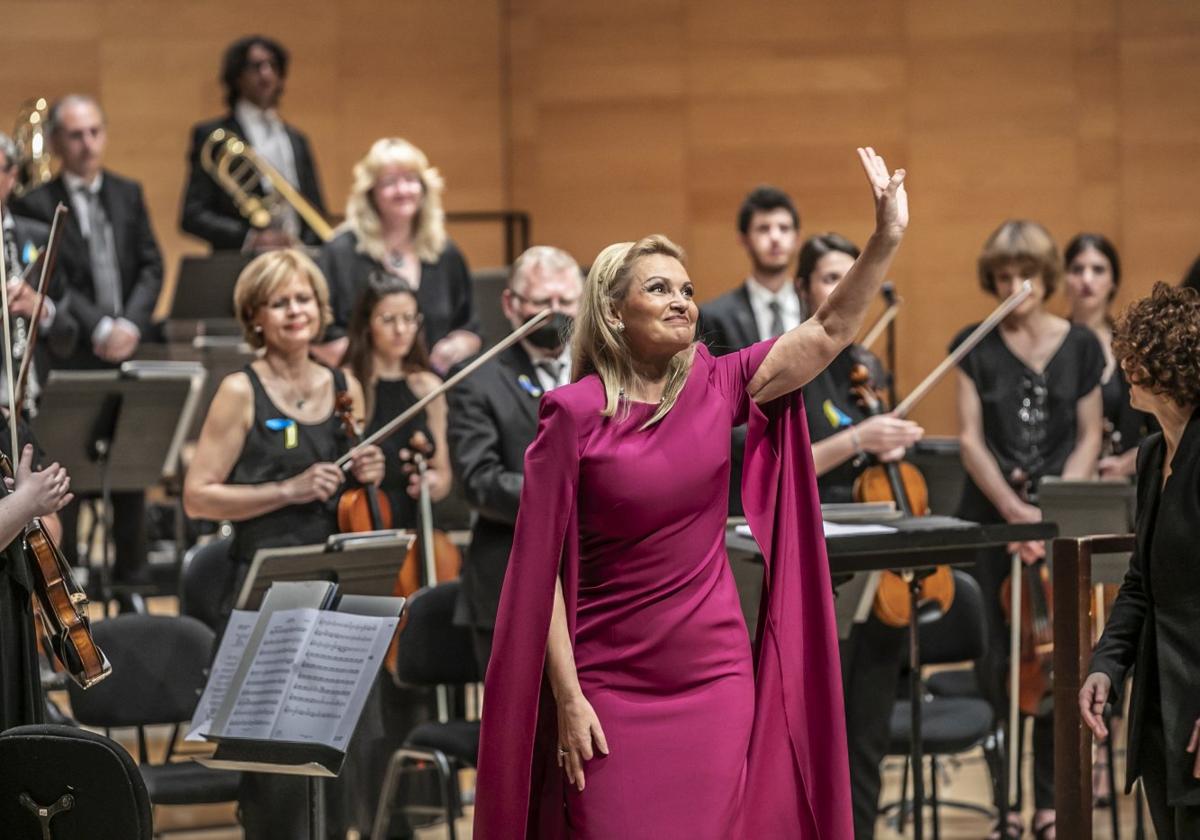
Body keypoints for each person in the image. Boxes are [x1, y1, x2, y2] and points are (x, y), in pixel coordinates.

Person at [474, 147, 908, 839]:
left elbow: (828, 330)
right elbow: (538, 579)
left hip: (713, 678)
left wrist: (885, 238)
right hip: (607, 682)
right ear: (614, 315)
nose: (681, 300)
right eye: (658, 289)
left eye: (685, 288)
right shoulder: (572, 413)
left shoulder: (717, 382)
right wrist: (568, 697)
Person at [183, 248, 383, 840]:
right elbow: (198, 496)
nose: (295, 311)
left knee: (342, 763)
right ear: (256, 317)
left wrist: (368, 469)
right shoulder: (240, 390)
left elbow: (353, 496)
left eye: (304, 299)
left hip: (341, 596)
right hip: (266, 597)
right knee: (277, 781)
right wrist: (286, 490)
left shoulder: (346, 385)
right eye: (280, 302)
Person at [953, 219, 1105, 840]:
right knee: (996, 667)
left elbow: (1090, 432)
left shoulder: (1083, 346)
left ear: (1047, 277)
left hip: (1057, 529)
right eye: (1004, 276)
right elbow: (969, 438)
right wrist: (1014, 515)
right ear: (992, 278)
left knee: (1055, 662)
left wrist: (1050, 513)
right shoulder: (973, 342)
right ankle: (1003, 806)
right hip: (992, 526)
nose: (1017, 286)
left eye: (1029, 275)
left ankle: (1049, 802)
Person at [796, 232, 923, 839]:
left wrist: (894, 443)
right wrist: (858, 440)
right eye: (828, 278)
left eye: (854, 277)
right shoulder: (786, 365)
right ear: (803, 289)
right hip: (809, 565)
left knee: (867, 737)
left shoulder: (867, 368)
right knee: (806, 739)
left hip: (874, 563)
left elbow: (881, 463)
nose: (845, 290)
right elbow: (772, 467)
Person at [13, 94, 164, 598]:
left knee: (132, 468)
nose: (87, 144)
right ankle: (68, 589)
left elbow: (150, 265)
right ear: (56, 142)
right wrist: (99, 326)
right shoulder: (35, 204)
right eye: (75, 135)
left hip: (129, 348)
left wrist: (132, 326)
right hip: (71, 356)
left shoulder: (127, 191)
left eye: (95, 132)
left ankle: (133, 588)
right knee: (68, 473)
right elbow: (53, 281)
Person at [1080, 282, 1200, 839]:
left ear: (1171, 369)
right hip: (1160, 703)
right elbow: (1140, 581)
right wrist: (1107, 664)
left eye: (1140, 353)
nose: (1125, 363)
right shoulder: (1153, 454)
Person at [446, 245, 583, 674]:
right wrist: (570, 498)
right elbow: (479, 481)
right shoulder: (477, 379)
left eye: (566, 302)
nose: (555, 313)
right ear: (511, 304)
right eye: (543, 303)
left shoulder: (603, 372)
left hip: (593, 584)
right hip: (510, 582)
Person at [317, 138, 480, 373]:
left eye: (411, 180)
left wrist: (458, 345)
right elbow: (321, 334)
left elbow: (470, 326)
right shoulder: (339, 253)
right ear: (370, 192)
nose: (402, 190)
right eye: (390, 182)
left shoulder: (445, 252)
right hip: (362, 389)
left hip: (435, 389)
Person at [700, 185, 802, 514]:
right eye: (763, 228)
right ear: (744, 239)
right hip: (744, 471)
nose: (775, 238)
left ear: (797, 237)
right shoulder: (715, 315)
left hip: (812, 462)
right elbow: (714, 402)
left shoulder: (814, 312)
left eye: (784, 229)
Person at [180, 34, 327, 251]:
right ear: (237, 76)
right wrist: (250, 238)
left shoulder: (297, 139)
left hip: (298, 259)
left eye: (273, 66)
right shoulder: (215, 136)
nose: (266, 73)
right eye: (256, 66)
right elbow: (193, 215)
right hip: (239, 264)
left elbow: (314, 209)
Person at [343, 272, 452, 525]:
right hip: (365, 521)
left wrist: (434, 483)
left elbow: (444, 474)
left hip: (417, 522)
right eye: (388, 320)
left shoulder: (429, 387)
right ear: (367, 323)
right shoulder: (348, 384)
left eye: (409, 319)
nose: (401, 330)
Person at [0, 131, 77, 411]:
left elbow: (68, 330)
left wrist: (41, 310)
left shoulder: (40, 236)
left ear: (12, 176)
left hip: (37, 404)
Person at [1063, 233, 1149, 478]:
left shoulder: (1132, 346)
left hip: (1124, 483)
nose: (1086, 279)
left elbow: (1163, 428)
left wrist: (1126, 464)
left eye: (1098, 270)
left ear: (1113, 281)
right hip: (1064, 478)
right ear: (1064, 279)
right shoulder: (1052, 346)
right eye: (1077, 269)